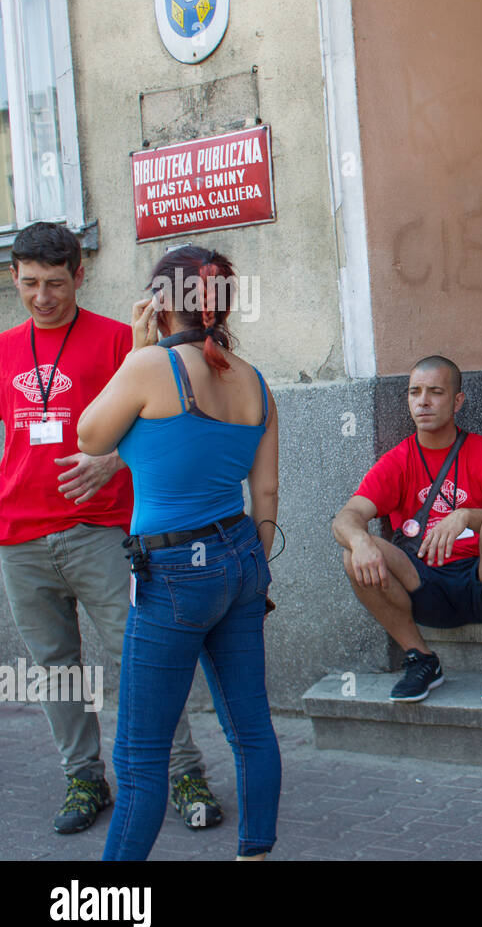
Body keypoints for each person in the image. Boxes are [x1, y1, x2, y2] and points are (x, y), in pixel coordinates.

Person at [0, 222, 222, 836]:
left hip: (102, 529)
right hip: (20, 537)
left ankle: (181, 771)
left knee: (143, 656)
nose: (42, 297)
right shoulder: (3, 348)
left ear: (80, 274)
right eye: (28, 284)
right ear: (14, 278)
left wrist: (111, 460)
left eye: (54, 283)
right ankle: (83, 777)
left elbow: (166, 420)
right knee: (54, 666)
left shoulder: (121, 340)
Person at [78, 245, 280, 861]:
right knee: (251, 730)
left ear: (161, 302)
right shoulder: (254, 379)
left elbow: (89, 433)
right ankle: (255, 854)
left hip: (171, 572)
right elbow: (265, 490)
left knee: (140, 754)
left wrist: (142, 347)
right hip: (241, 555)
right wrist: (250, 570)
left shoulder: (147, 367)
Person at [332, 356, 482, 703]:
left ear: (457, 401)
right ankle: (420, 658)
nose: (422, 401)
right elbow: (346, 517)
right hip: (423, 583)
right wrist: (360, 540)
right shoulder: (397, 460)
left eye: (435, 392)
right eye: (415, 392)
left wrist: (466, 516)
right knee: (354, 553)